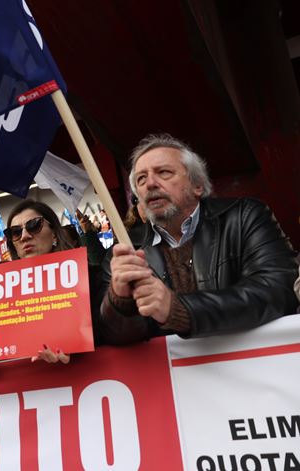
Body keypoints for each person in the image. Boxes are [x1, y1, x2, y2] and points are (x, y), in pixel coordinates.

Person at [100, 133, 298, 343]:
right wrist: (119, 303)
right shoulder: (125, 248)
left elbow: (278, 290)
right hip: (172, 374)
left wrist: (178, 308)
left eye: (163, 172)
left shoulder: (244, 216)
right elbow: (113, 337)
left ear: (198, 186)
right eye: (141, 179)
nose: (150, 184)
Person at [0, 200, 80, 376]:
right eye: (15, 232)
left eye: (34, 225)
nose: (24, 236)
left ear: (54, 233)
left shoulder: (85, 277)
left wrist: (78, 352)